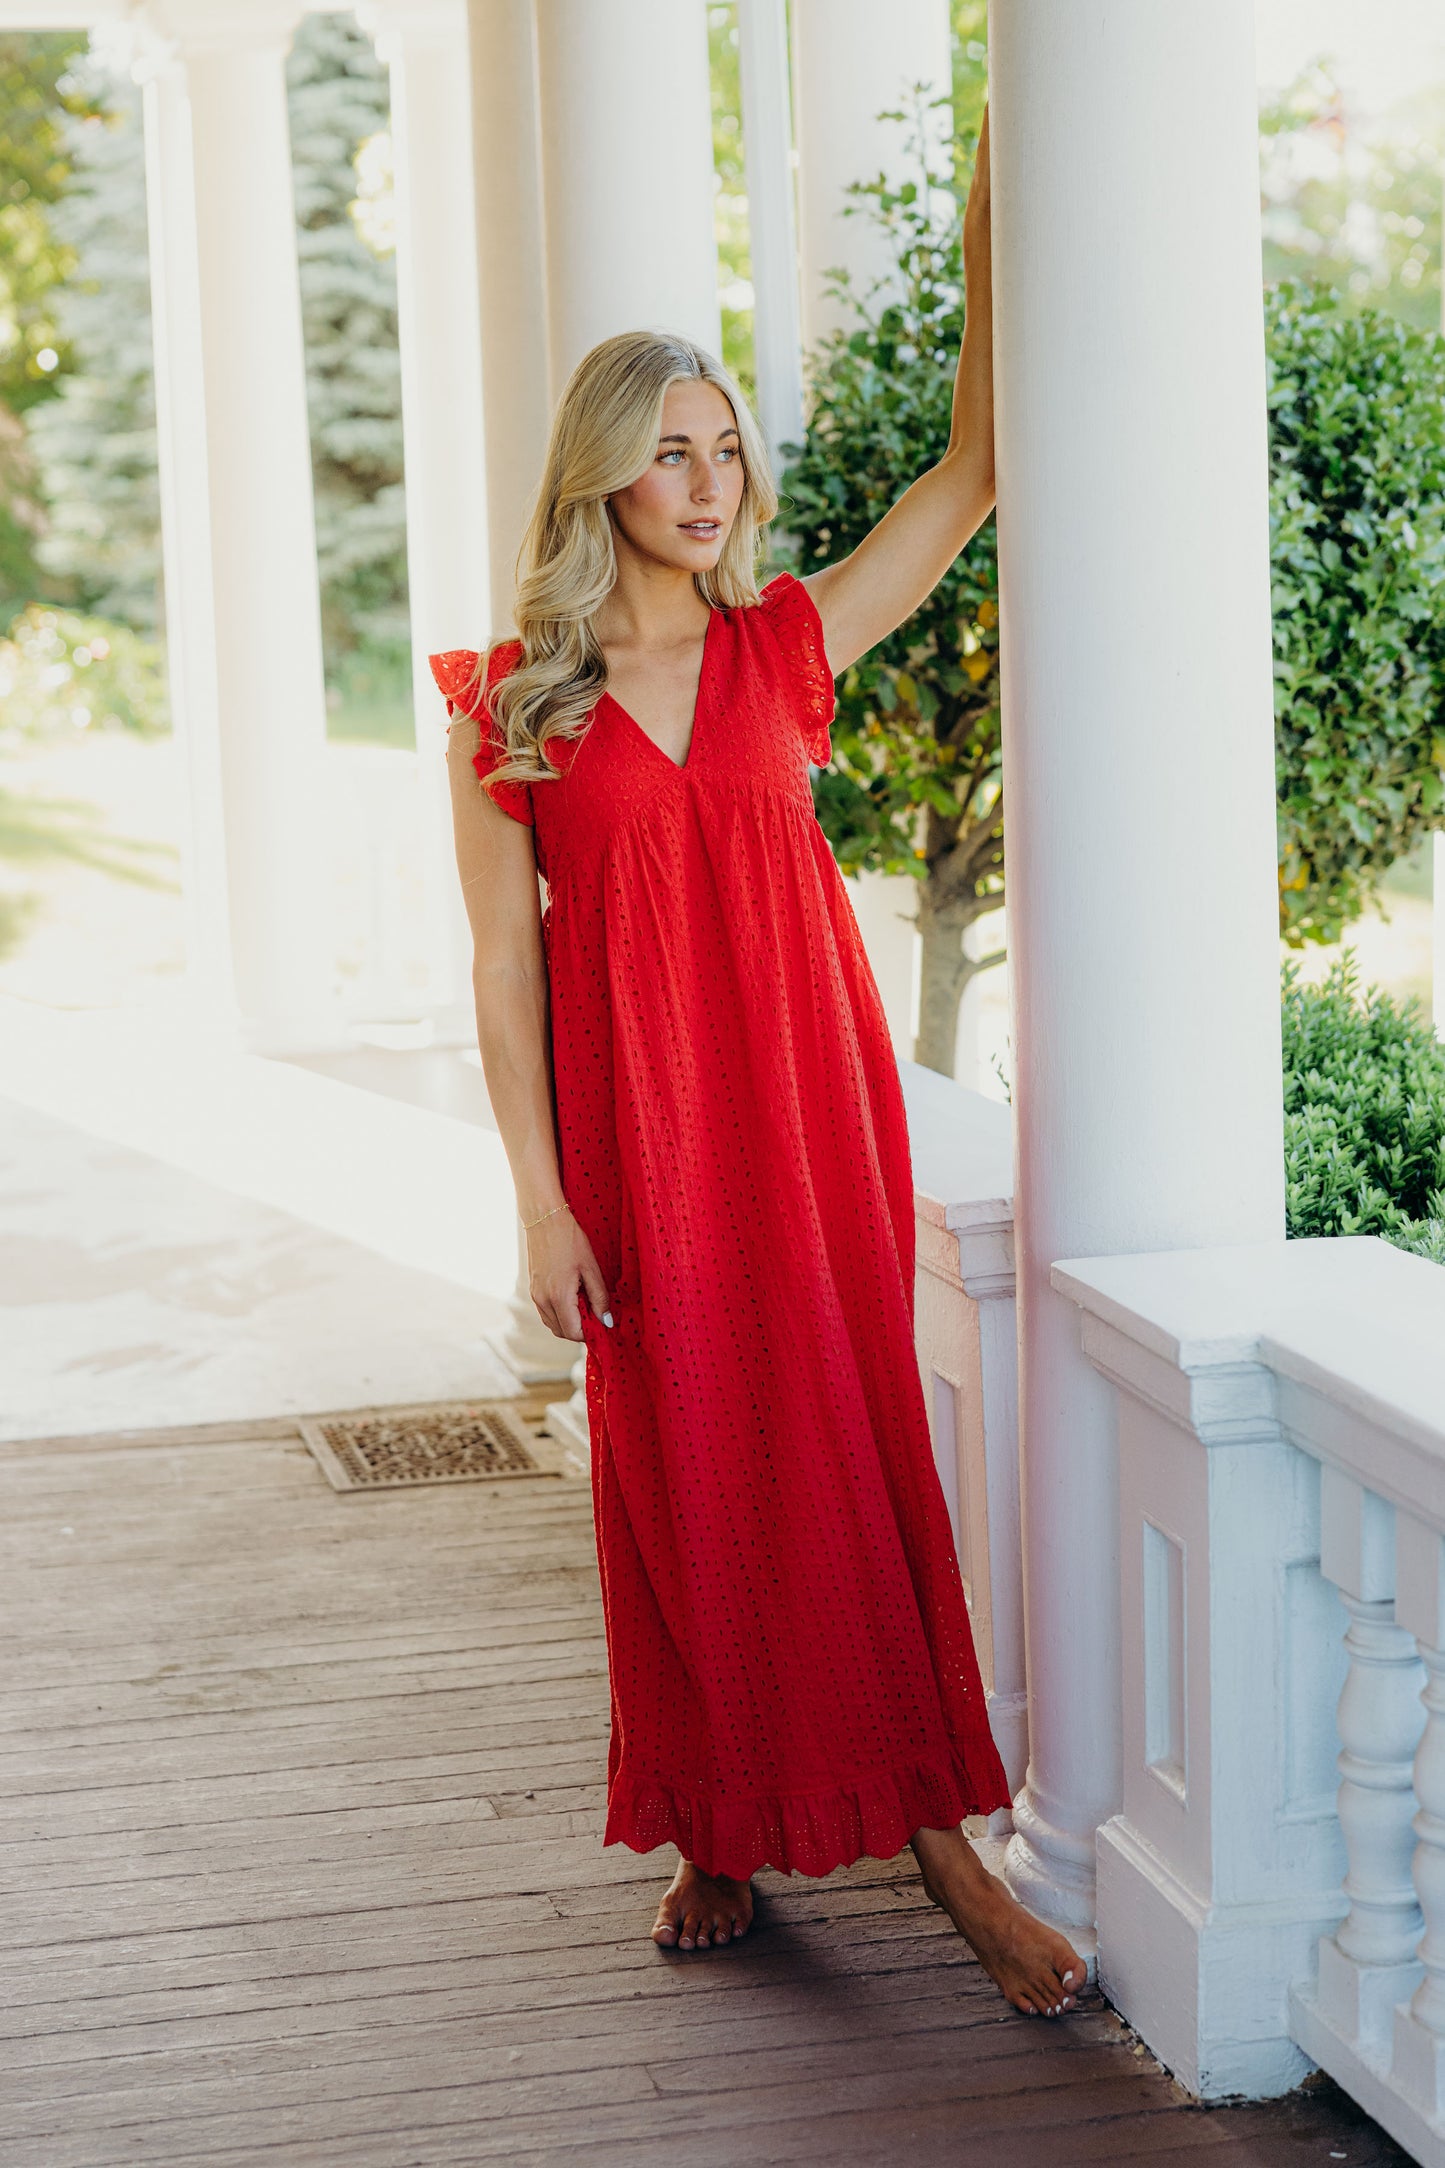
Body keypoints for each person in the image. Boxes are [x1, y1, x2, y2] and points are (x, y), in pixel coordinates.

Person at [433, 110, 1083, 2020]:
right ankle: (714, 1821)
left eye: (725, 450)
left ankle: (942, 1851)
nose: (707, 482)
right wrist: (538, 1201)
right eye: (671, 450)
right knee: (680, 1483)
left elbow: (972, 472)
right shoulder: (511, 706)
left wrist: (998, 200)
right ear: (601, 473)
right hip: (640, 1149)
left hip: (805, 1125)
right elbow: (500, 971)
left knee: (846, 1459)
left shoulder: (786, 646)